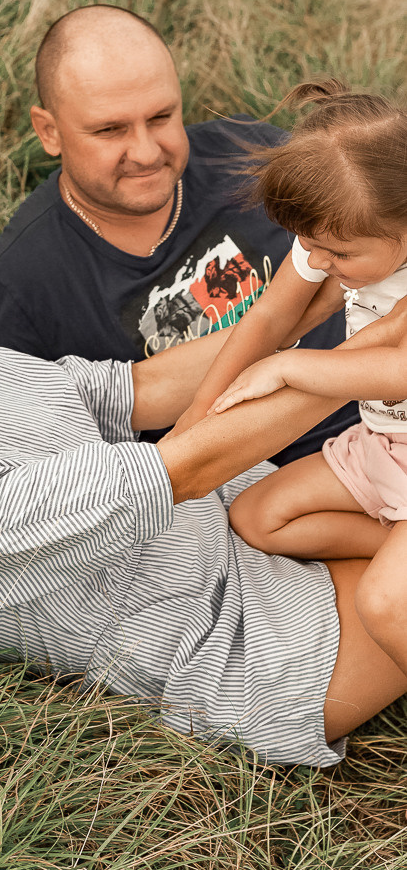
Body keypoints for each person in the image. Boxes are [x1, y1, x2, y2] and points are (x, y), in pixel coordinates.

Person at [0, 222, 406, 768]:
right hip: (251, 643)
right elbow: (183, 469)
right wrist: (372, 352)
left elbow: (137, 390)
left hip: (255, 516)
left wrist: (311, 295)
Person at [0, 4, 357, 464]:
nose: (146, 152)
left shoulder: (250, 154)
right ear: (49, 131)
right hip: (263, 497)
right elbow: (4, 453)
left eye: (162, 117)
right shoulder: (14, 285)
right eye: (110, 130)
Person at [180, 80, 407, 677]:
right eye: (310, 246)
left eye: (338, 254)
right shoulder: (335, 233)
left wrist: (287, 365)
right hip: (382, 446)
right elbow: (270, 316)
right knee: (257, 519)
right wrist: (194, 419)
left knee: (384, 605)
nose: (321, 264)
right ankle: (393, 542)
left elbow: (399, 370)